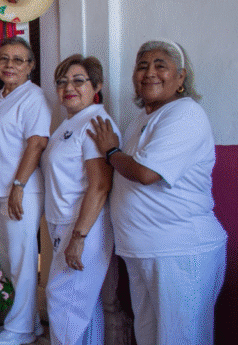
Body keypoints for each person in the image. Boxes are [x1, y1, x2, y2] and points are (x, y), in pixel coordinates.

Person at [88, 39, 226, 345]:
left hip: (179, 250)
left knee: (180, 339)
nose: (149, 72)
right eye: (142, 65)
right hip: (147, 250)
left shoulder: (184, 114)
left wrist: (111, 150)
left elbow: (146, 173)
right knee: (150, 337)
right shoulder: (145, 118)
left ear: (181, 78)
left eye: (160, 65)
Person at [0, 36, 51, 345]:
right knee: (8, 261)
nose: (9, 64)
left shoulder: (33, 97)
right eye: (4, 58)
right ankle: (28, 322)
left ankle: (19, 330)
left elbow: (37, 143)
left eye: (18, 60)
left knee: (22, 260)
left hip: (21, 191)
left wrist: (18, 186)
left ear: (30, 66)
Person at [42, 55, 118, 345]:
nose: (68, 87)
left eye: (78, 80)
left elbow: (100, 185)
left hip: (83, 226)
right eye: (61, 82)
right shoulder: (71, 123)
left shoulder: (95, 123)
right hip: (64, 223)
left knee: (62, 300)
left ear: (96, 85)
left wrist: (79, 236)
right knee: (81, 305)